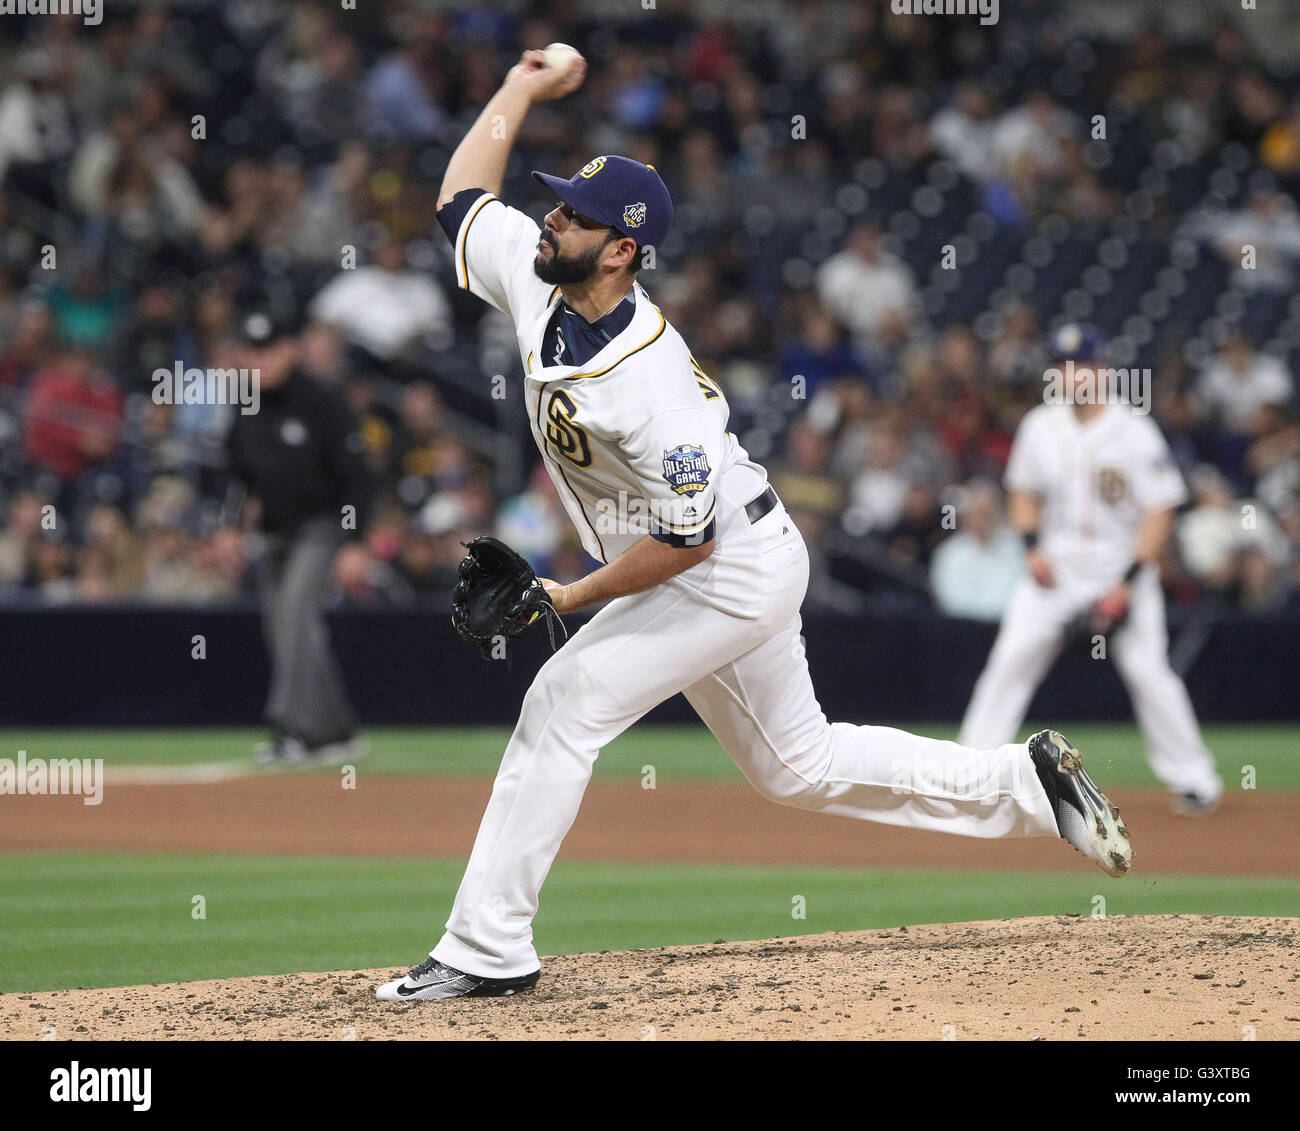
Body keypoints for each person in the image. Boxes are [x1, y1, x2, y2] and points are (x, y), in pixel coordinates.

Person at [377, 51, 1133, 1004]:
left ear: (622, 250)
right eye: (558, 204)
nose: (553, 217)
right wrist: (524, 86)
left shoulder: (649, 385)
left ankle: (488, 949)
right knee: (796, 766)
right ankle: (1026, 783)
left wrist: (566, 596)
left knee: (563, 702)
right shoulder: (541, 283)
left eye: (574, 213)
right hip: (716, 552)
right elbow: (459, 198)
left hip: (729, 564)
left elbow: (689, 544)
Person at [958, 323, 1223, 817]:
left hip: (1117, 567)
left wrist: (1126, 584)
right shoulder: (1041, 424)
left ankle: (1195, 780)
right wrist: (1031, 547)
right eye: (1062, 365)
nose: (1070, 373)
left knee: (1150, 673)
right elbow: (1023, 491)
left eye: (1080, 364)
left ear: (1103, 371)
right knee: (1010, 661)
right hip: (1055, 568)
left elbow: (1160, 511)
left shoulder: (1135, 430)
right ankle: (973, 772)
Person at [224, 309, 372, 764]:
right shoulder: (245, 403)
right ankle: (336, 731)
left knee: (294, 616)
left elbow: (357, 477)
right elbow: (236, 477)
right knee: (287, 628)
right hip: (274, 531)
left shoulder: (322, 401)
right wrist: (230, 528)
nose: (260, 361)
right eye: (252, 351)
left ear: (291, 350)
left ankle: (290, 728)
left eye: (268, 350)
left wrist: (355, 542)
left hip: (322, 526)